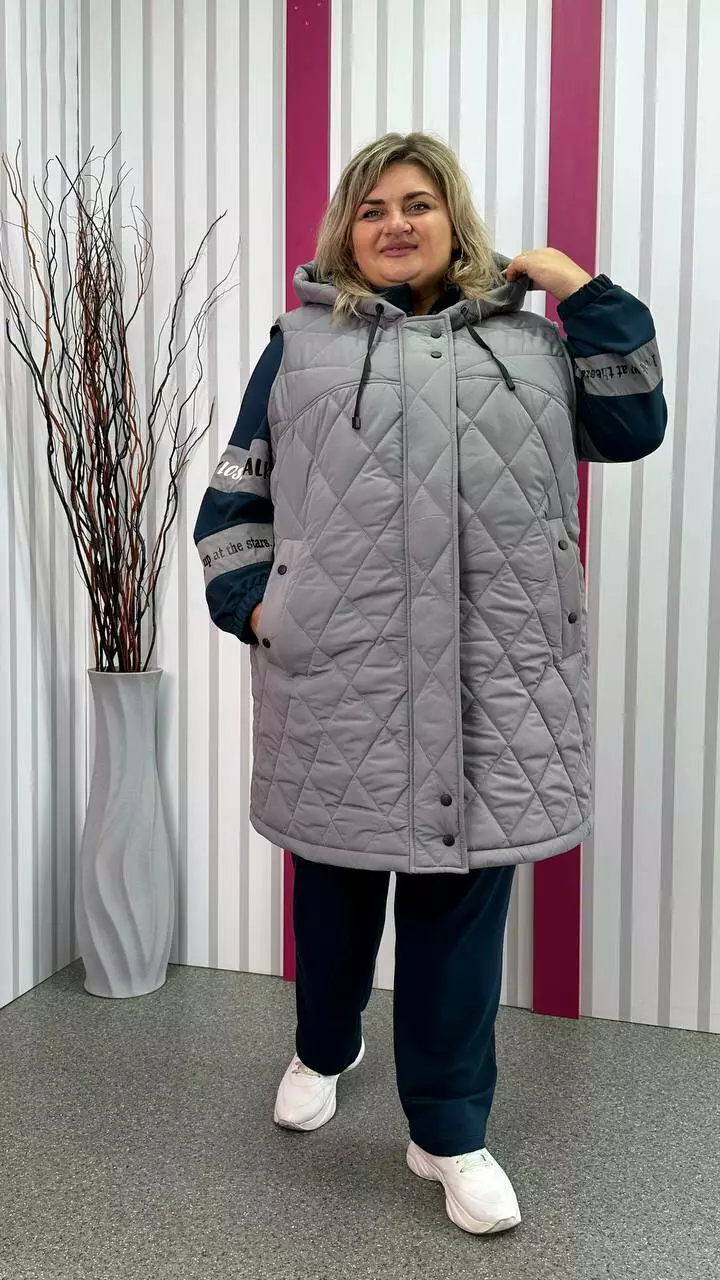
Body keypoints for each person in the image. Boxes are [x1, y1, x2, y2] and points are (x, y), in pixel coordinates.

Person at [194, 133, 666, 1236]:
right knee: (334, 896)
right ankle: (324, 1046)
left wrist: (584, 292)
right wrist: (261, 609)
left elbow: (632, 424)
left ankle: (448, 1131)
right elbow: (235, 499)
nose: (394, 223)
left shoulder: (534, 345)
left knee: (460, 913)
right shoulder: (298, 346)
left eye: (417, 202)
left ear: (454, 218)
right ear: (345, 232)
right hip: (338, 682)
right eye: (371, 209)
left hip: (497, 688)